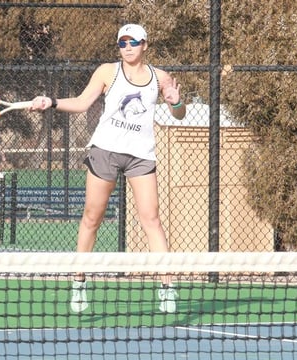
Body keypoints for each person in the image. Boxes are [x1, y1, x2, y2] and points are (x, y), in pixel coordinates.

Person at [31, 24, 186, 313]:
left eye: (133, 42)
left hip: (141, 156)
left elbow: (178, 113)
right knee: (92, 216)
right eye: (122, 42)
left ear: (145, 45)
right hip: (105, 151)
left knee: (151, 219)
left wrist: (177, 104)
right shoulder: (107, 71)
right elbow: (81, 103)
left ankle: (167, 287)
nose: (127, 47)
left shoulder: (161, 78)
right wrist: (50, 102)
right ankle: (79, 283)